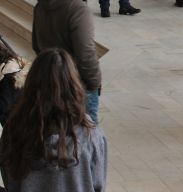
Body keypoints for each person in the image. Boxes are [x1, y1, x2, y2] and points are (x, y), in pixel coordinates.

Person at [0, 48, 107, 191]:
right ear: (74, 86)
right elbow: (98, 185)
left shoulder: (14, 130)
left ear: (31, 84)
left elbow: (11, 182)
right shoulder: (92, 135)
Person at [31, 0, 102, 122]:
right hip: (75, 84)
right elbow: (86, 53)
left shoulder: (41, 4)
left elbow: (36, 44)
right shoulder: (77, 8)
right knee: (85, 138)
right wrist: (94, 82)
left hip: (50, 80)